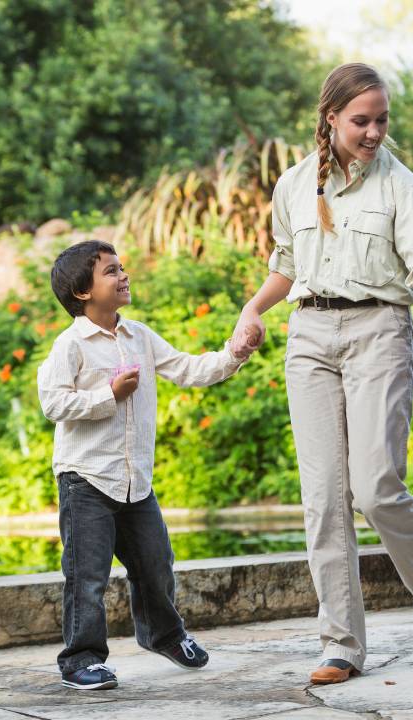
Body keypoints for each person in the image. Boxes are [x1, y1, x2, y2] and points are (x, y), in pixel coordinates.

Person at [231, 62, 413, 685]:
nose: (373, 132)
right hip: (308, 336)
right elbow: (286, 265)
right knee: (324, 500)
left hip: (378, 332)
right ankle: (341, 643)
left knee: (377, 486)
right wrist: (253, 311)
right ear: (331, 118)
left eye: (381, 119)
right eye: (361, 120)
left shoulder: (399, 185)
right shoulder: (293, 185)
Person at [38, 240, 255, 690]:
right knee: (87, 578)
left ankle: (164, 635)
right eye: (111, 271)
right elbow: (53, 402)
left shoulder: (140, 335)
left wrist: (236, 351)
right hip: (86, 479)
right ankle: (81, 659)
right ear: (82, 292)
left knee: (156, 565)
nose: (124, 276)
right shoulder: (71, 345)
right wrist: (108, 397)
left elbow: (190, 369)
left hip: (135, 481)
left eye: (122, 268)